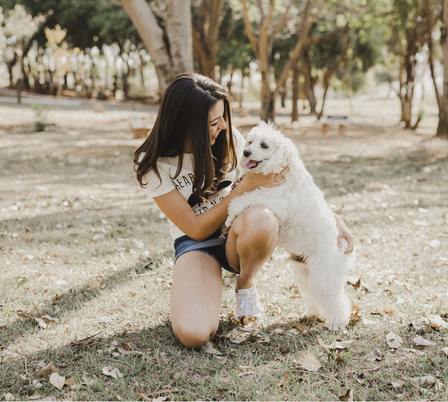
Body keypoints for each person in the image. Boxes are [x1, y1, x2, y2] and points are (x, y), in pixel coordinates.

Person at [134, 73, 354, 348]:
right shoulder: (153, 164)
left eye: (223, 118)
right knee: (193, 334)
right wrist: (245, 186)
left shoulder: (226, 137)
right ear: (186, 125)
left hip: (240, 233)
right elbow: (196, 228)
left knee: (261, 220)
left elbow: (295, 180)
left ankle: (245, 283)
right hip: (196, 243)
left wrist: (332, 219)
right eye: (213, 122)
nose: (223, 126)